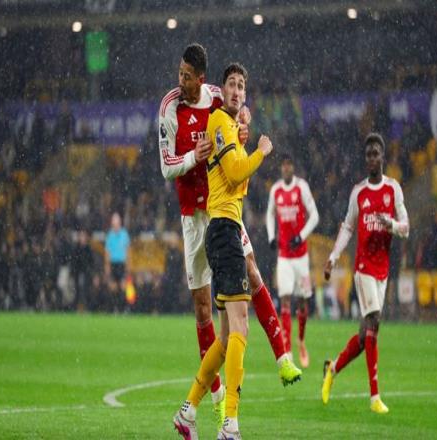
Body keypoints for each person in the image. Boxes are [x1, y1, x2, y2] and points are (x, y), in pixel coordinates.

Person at [159, 43, 301, 429]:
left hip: (224, 220)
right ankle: (225, 413)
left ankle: (277, 360)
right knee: (221, 319)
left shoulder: (221, 105)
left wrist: (245, 122)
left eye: (187, 75)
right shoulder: (177, 108)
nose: (181, 80)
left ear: (202, 79)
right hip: (203, 220)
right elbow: (174, 166)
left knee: (236, 315)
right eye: (180, 73)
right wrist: (255, 150)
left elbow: (238, 118)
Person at [173, 62, 272, 440]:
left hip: (223, 229)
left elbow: (233, 174)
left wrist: (245, 139)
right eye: (231, 84)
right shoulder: (218, 121)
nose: (236, 90)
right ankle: (230, 423)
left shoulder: (229, 126)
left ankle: (188, 411)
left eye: (242, 86)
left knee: (227, 334)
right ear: (222, 89)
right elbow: (235, 172)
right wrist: (261, 151)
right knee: (241, 326)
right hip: (225, 231)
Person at [322, 133, 409, 414]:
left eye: (376, 154)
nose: (372, 158)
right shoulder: (358, 192)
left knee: (364, 336)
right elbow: (348, 227)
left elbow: (406, 227)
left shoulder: (393, 189)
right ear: (366, 159)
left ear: (383, 157)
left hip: (383, 269)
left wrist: (391, 224)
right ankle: (374, 397)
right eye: (368, 154)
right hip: (363, 268)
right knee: (374, 320)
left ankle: (333, 368)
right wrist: (333, 257)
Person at [266, 154, 319, 368]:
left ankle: (301, 340)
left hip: (301, 258)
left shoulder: (301, 187)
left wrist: (301, 236)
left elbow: (315, 216)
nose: (286, 168)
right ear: (281, 168)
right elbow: (269, 214)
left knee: (303, 301)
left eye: (289, 165)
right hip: (284, 258)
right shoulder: (276, 190)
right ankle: (287, 350)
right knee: (285, 300)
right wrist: (271, 236)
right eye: (284, 165)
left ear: (293, 167)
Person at [104, 212, 130, 312]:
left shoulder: (124, 234)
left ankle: (124, 308)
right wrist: (107, 266)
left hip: (122, 264)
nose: (115, 225)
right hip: (113, 264)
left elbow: (128, 251)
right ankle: (115, 308)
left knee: (123, 286)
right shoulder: (110, 235)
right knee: (113, 287)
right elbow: (107, 252)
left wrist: (128, 265)